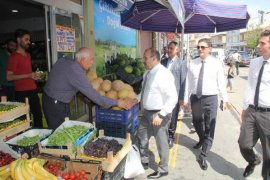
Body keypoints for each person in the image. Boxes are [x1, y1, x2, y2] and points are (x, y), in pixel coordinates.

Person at [43, 47, 132, 130]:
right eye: (91, 59)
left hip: (50, 99)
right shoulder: (75, 70)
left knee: (63, 129)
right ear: (82, 59)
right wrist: (117, 102)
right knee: (60, 132)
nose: (92, 62)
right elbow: (94, 96)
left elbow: (63, 80)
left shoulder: (64, 61)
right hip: (55, 104)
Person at [130, 48, 177, 179]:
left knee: (161, 142)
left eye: (146, 58)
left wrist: (161, 115)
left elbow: (172, 97)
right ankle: (144, 161)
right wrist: (137, 99)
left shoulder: (164, 74)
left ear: (154, 59)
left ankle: (163, 169)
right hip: (146, 113)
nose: (143, 61)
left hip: (159, 113)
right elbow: (145, 92)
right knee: (141, 135)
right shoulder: (147, 73)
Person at [183, 38, 229, 170]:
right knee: (197, 121)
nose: (200, 49)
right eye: (198, 47)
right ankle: (202, 139)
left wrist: (224, 99)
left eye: (203, 47)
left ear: (210, 49)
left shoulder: (216, 64)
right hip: (196, 98)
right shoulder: (192, 63)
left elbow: (221, 82)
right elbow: (188, 83)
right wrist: (185, 99)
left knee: (210, 126)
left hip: (211, 98)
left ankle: (203, 155)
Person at [238, 30, 270, 180]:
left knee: (268, 154)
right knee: (244, 143)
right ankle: (253, 160)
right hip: (251, 110)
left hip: (268, 115)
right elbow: (250, 86)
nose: (258, 46)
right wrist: (245, 108)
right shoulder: (255, 63)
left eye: (262, 43)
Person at [7, 29, 43, 128]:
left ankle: (39, 139)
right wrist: (28, 75)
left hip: (32, 89)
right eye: (26, 39)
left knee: (38, 116)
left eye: (29, 39)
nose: (29, 42)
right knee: (25, 119)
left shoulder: (28, 55)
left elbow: (27, 73)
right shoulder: (14, 57)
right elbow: (9, 77)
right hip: (22, 92)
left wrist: (35, 76)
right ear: (19, 40)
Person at [160, 41, 187, 148]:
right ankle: (163, 134)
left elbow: (183, 81)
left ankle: (171, 136)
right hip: (163, 95)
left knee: (173, 117)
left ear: (177, 50)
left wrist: (181, 98)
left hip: (175, 96)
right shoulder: (163, 62)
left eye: (171, 48)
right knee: (164, 114)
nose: (169, 50)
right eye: (168, 48)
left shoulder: (182, 63)